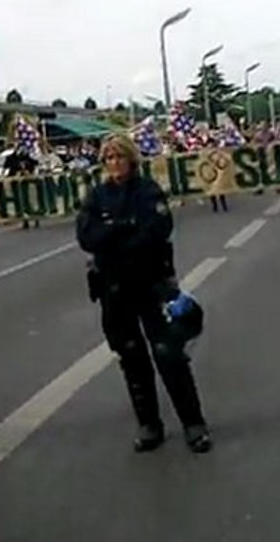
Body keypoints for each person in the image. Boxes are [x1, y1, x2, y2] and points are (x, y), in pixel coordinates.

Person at [76, 134, 212, 454]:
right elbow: (87, 236)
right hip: (114, 289)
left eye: (119, 157)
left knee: (169, 354)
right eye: (109, 158)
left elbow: (156, 231)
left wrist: (115, 239)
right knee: (131, 357)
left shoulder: (147, 190)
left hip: (151, 284)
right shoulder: (97, 196)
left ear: (131, 159)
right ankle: (149, 424)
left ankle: (193, 423)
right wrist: (122, 228)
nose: (115, 163)